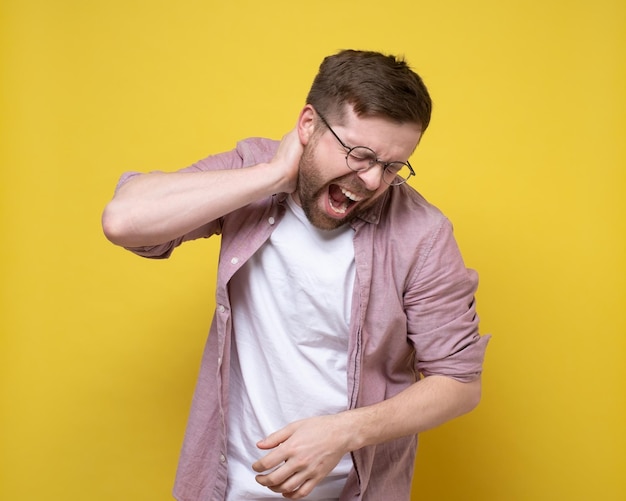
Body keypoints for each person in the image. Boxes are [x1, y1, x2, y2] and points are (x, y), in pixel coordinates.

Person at [102, 49, 490, 501]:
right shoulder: (252, 171)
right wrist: (271, 176)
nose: (370, 181)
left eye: (392, 167)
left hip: (352, 491)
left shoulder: (422, 234)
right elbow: (124, 221)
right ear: (308, 125)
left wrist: (342, 433)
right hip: (225, 489)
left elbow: (459, 384)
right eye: (360, 154)